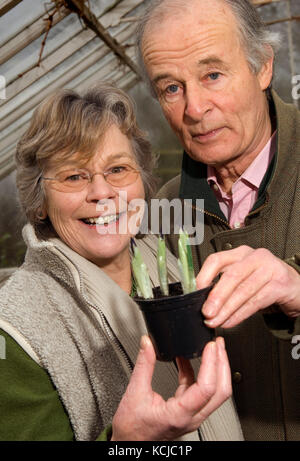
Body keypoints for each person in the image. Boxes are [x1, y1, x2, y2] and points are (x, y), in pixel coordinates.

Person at [0, 83, 243, 441]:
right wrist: (126, 442)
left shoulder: (179, 259)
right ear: (39, 201)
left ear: (142, 182)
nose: (102, 193)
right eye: (74, 176)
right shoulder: (17, 329)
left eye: (117, 169)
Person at [136, 0, 300, 440]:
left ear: (263, 67)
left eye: (212, 75)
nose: (194, 108)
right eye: (171, 88)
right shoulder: (163, 215)